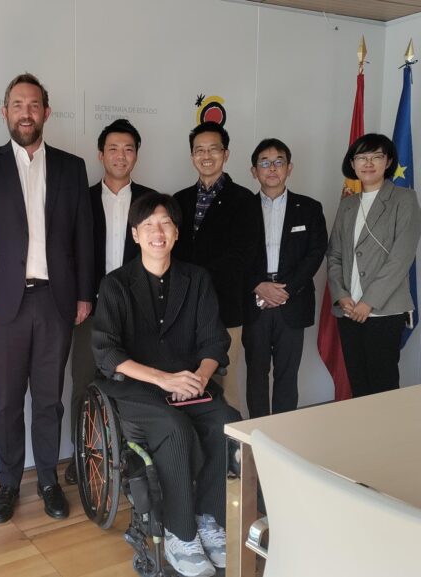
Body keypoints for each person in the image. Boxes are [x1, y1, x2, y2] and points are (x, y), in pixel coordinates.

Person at [0, 72, 93, 523]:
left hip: (56, 302)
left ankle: (49, 481)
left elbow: (83, 236)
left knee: (49, 399)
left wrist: (83, 294)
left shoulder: (72, 167)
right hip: (3, 307)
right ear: (4, 112)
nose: (26, 113)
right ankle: (8, 483)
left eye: (34, 105)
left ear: (46, 112)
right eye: (17, 105)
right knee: (7, 400)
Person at [93, 192, 240, 577]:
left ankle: (209, 520)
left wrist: (200, 378)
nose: (157, 232)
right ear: (135, 234)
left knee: (227, 421)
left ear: (176, 233)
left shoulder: (197, 279)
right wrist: (163, 378)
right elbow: (107, 351)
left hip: (190, 384)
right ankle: (180, 533)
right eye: (148, 225)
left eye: (165, 224)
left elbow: (214, 341)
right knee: (175, 428)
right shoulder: (116, 284)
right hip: (136, 388)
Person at [65, 118, 158, 485]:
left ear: (137, 155)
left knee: (134, 385)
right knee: (84, 383)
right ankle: (83, 456)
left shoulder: (151, 202)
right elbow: (68, 253)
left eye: (128, 149)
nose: (121, 156)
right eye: (114, 149)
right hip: (89, 309)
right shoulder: (81, 199)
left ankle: (129, 456)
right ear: (100, 154)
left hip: (139, 312)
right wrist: (78, 297)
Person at [172, 121, 258, 413]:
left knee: (226, 387)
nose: (206, 156)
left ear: (226, 154)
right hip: (183, 312)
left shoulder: (244, 200)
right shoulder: (180, 200)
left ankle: (231, 443)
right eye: (199, 150)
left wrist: (196, 280)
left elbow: (241, 256)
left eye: (213, 149)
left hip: (225, 309)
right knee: (187, 386)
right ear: (192, 156)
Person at [327, 133, 420, 398]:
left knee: (383, 387)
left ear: (388, 161)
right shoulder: (348, 205)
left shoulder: (404, 199)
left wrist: (369, 302)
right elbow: (334, 255)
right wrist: (342, 296)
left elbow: (401, 258)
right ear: (353, 163)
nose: (368, 163)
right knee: (358, 385)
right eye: (362, 157)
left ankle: (388, 429)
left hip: (384, 311)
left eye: (376, 156)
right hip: (349, 311)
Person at [242, 139, 327, 417]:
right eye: (264, 163)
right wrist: (258, 286)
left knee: (287, 375)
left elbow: (315, 253)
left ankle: (283, 435)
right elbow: (234, 255)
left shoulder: (309, 208)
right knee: (256, 373)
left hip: (293, 300)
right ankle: (257, 432)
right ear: (254, 171)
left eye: (279, 162)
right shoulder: (241, 208)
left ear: (289, 168)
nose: (272, 168)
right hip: (254, 301)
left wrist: (285, 290)